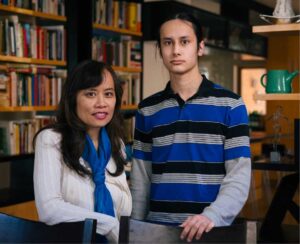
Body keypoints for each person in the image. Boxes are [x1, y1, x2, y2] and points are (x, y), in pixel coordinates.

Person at [130, 12, 251, 242]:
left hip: (211, 231)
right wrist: (135, 231)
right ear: (160, 50)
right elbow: (141, 180)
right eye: (168, 43)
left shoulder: (231, 105)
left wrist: (211, 216)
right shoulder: (147, 109)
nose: (176, 50)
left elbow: (238, 177)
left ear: (200, 47)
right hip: (157, 233)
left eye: (184, 41)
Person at [33, 60, 132, 243]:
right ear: (73, 98)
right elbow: (49, 209)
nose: (101, 103)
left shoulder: (115, 144)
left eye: (108, 94)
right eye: (91, 94)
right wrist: (108, 225)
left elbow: (125, 209)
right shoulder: (51, 140)